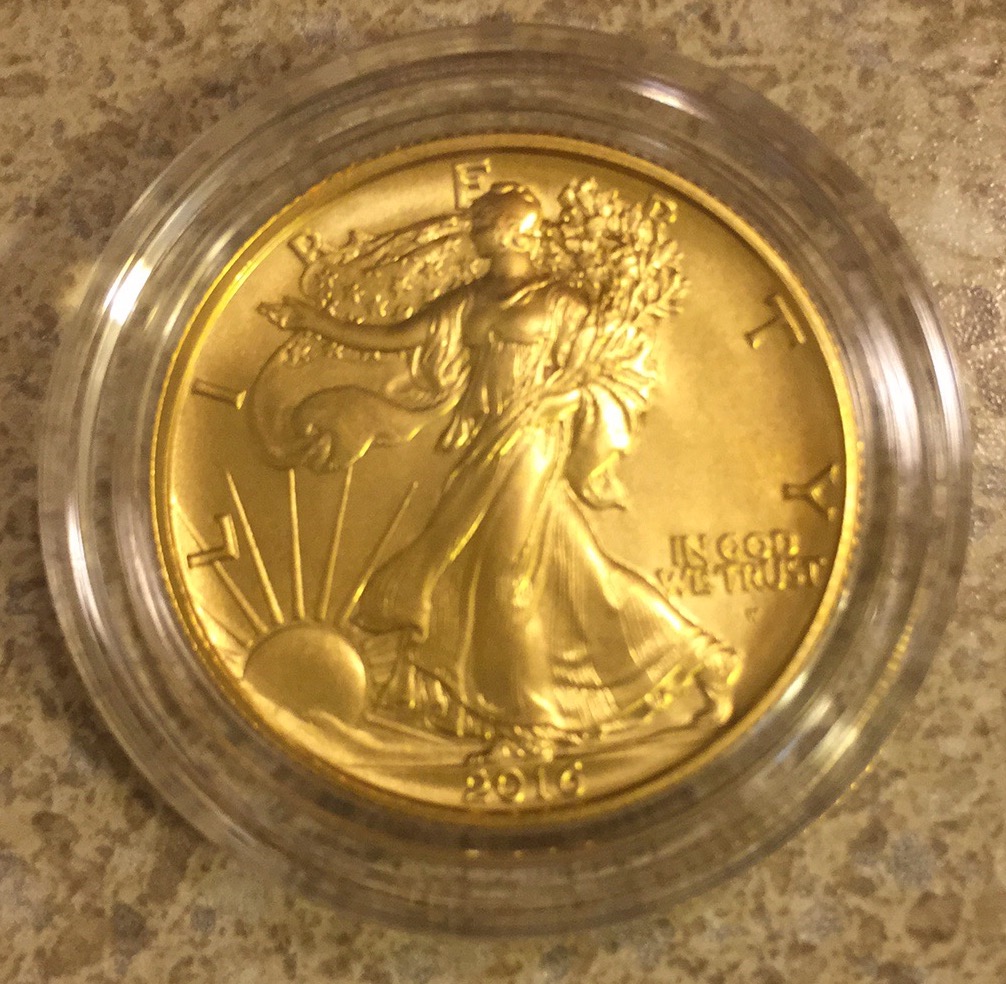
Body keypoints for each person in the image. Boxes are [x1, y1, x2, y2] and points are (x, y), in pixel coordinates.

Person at [255, 182, 739, 740]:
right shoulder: (471, 300)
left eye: (483, 224)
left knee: (506, 577)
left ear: (511, 232)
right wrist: (313, 322)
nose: (474, 233)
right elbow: (395, 337)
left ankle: (534, 725)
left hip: (532, 443)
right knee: (588, 580)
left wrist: (562, 399)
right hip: (486, 444)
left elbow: (621, 366)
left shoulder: (561, 303)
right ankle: (709, 661)